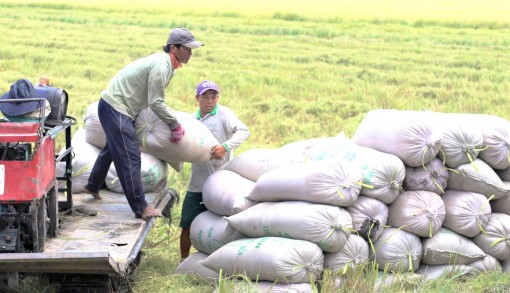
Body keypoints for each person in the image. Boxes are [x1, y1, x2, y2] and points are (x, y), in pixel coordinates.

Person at [84, 27, 204, 220]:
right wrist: (174, 124)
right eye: (187, 49)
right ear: (174, 48)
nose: (191, 53)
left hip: (117, 106)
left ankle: (92, 185)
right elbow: (156, 101)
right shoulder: (161, 66)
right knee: (130, 156)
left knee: (113, 148)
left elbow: (151, 98)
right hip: (116, 108)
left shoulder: (167, 64)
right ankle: (141, 207)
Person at [179, 80, 250, 260]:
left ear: (218, 98)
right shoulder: (191, 120)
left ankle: (223, 260)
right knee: (187, 224)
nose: (210, 101)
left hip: (222, 185)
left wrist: (225, 146)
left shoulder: (224, 114)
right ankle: (183, 261)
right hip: (198, 183)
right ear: (197, 98)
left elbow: (244, 131)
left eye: (214, 97)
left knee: (224, 226)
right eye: (205, 97)